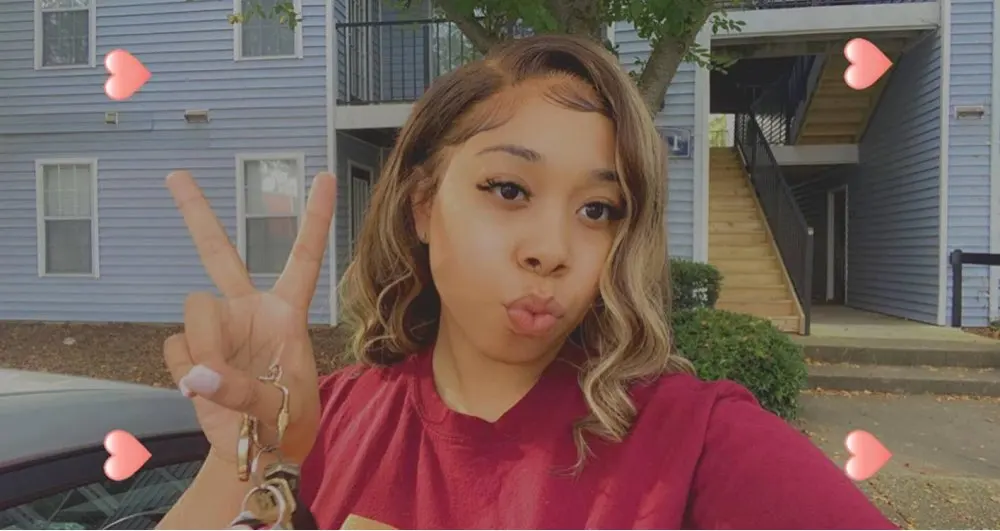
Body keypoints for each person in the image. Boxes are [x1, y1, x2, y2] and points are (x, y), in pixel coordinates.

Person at [157, 35, 896, 530]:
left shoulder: (694, 441)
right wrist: (243, 459)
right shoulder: (321, 421)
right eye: (509, 189)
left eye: (598, 209)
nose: (552, 250)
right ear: (423, 204)